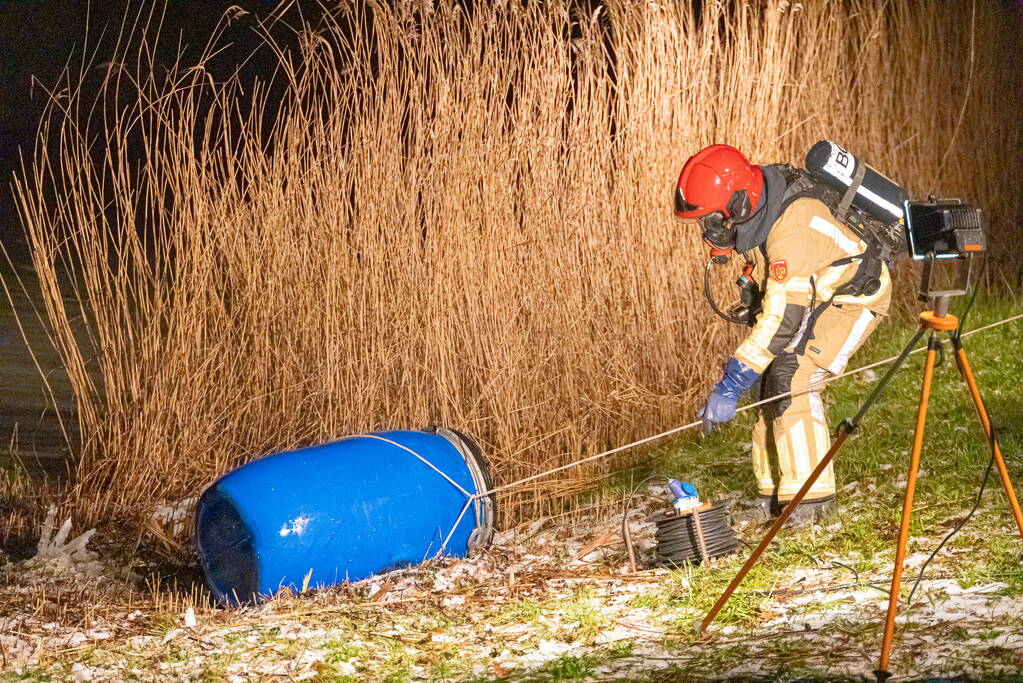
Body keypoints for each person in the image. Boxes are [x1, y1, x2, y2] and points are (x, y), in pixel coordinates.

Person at [674, 144, 892, 526]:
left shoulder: (794, 229)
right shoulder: (766, 203)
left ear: (739, 205)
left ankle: (811, 500)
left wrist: (732, 382)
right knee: (766, 386)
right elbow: (781, 287)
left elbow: (782, 323)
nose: (710, 232)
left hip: (855, 296)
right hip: (818, 288)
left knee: (793, 375)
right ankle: (772, 493)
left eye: (712, 221)